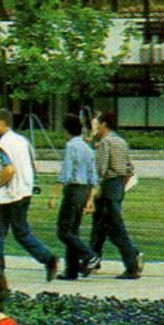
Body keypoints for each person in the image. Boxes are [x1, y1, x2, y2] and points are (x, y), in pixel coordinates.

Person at [0, 109, 59, 281]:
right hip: (25, 191)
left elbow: (9, 169)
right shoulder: (22, 141)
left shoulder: (4, 143)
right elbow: (33, 165)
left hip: (9, 194)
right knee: (22, 232)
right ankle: (48, 258)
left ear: (3, 123)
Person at [89, 110, 142, 279]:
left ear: (104, 124)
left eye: (97, 123)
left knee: (115, 227)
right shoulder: (121, 142)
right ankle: (91, 260)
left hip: (108, 186)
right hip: (119, 184)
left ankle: (132, 260)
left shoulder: (106, 143)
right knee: (100, 227)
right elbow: (129, 168)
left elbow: (101, 169)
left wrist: (94, 189)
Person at [52, 114, 99, 280]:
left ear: (67, 130)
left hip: (73, 189)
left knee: (63, 231)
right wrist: (90, 198)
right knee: (73, 231)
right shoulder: (87, 147)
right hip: (85, 189)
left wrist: (54, 195)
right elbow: (94, 175)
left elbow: (66, 173)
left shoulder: (71, 146)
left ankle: (90, 255)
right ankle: (71, 270)